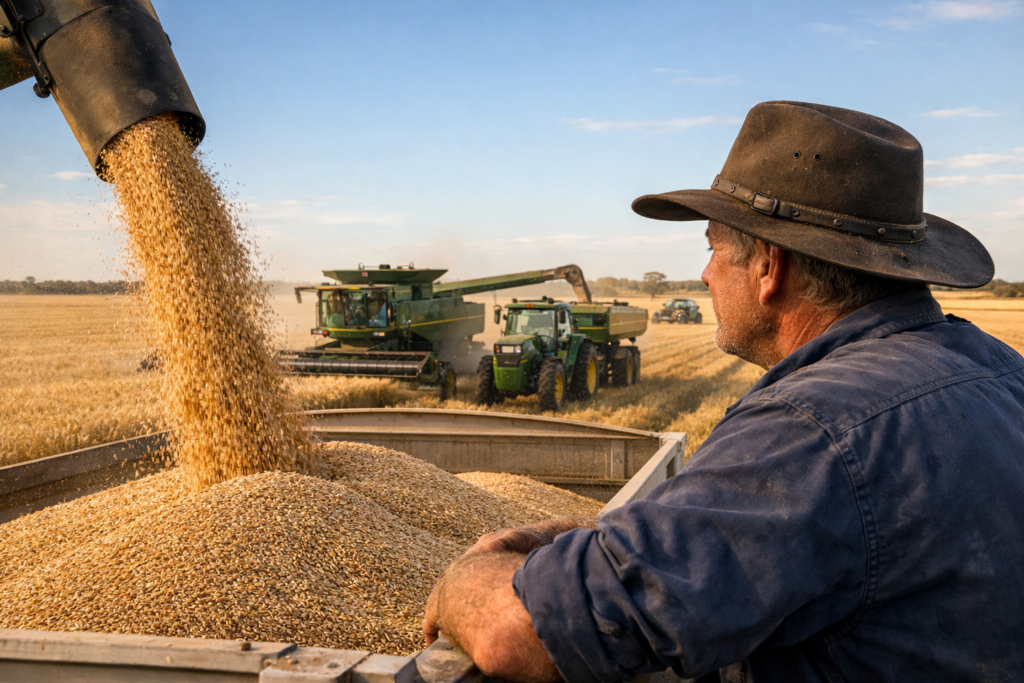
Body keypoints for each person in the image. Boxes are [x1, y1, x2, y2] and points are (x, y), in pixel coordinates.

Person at [423, 102, 1024, 682]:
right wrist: (602, 541)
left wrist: (465, 577)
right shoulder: (1000, 370)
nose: (707, 274)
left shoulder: (811, 429)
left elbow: (522, 635)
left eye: (711, 248)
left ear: (769, 267)